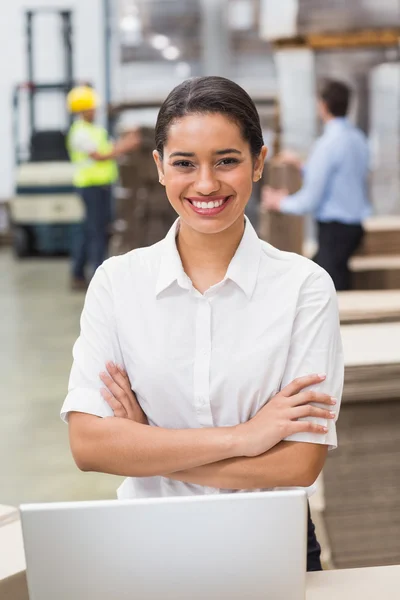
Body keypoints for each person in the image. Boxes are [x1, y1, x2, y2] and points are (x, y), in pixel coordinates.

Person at [61, 77, 344, 572]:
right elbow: (89, 445)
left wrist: (146, 442)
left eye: (227, 160)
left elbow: (298, 464)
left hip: (271, 547)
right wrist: (246, 436)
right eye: (184, 163)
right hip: (150, 546)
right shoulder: (117, 283)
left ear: (258, 162)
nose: (206, 183)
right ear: (159, 167)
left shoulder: (304, 288)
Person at [262, 79, 371, 291]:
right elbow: (341, 177)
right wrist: (303, 166)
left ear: (323, 105)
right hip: (354, 227)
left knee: (327, 289)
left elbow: (309, 201)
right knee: (333, 277)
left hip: (335, 230)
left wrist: (280, 202)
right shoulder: (358, 139)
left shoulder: (327, 145)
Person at [66, 85, 141, 290]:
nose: (95, 111)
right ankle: (95, 277)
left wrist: (124, 140)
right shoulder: (80, 133)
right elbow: (100, 156)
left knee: (92, 230)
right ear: (83, 109)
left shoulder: (94, 130)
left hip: (101, 186)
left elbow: (108, 147)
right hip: (91, 187)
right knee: (97, 231)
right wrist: (127, 144)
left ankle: (79, 274)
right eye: (92, 107)